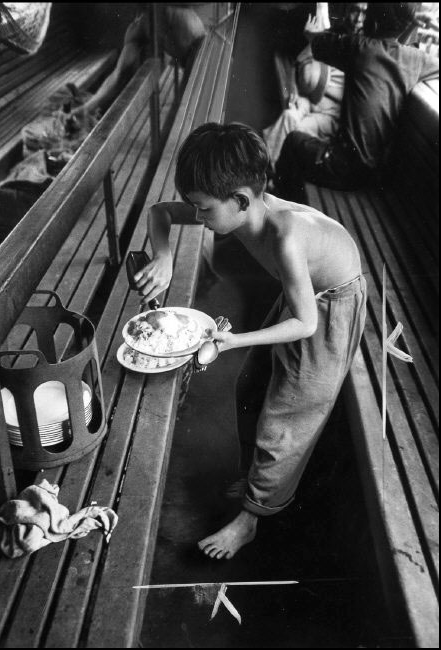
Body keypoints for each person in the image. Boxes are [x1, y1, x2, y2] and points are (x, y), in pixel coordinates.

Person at [134, 122, 367, 560]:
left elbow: (305, 324)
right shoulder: (236, 206)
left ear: (240, 200)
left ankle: (251, 520)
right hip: (302, 294)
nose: (198, 218)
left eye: (202, 210)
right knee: (251, 387)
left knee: (287, 416)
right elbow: (158, 213)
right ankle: (257, 483)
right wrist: (163, 257)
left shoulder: (285, 236)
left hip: (329, 307)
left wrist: (234, 340)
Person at [274, 2, 439, 201]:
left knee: (293, 141)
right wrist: (411, 22)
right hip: (375, 174)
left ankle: (278, 198)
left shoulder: (360, 49)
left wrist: (310, 35)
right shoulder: (416, 59)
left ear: (374, 23)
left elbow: (317, 42)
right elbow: (393, 48)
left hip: (344, 168)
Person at [263, 3, 367, 169]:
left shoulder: (366, 47)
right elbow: (294, 64)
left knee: (298, 130)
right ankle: (264, 167)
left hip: (332, 114)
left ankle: (273, 175)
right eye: (355, 10)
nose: (358, 19)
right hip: (309, 100)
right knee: (289, 116)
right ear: (347, 10)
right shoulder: (333, 35)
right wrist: (293, 91)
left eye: (364, 13)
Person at [72, 5, 206, 120]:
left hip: (202, 52)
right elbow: (117, 76)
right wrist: (86, 109)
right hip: (190, 60)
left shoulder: (174, 12)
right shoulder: (139, 28)